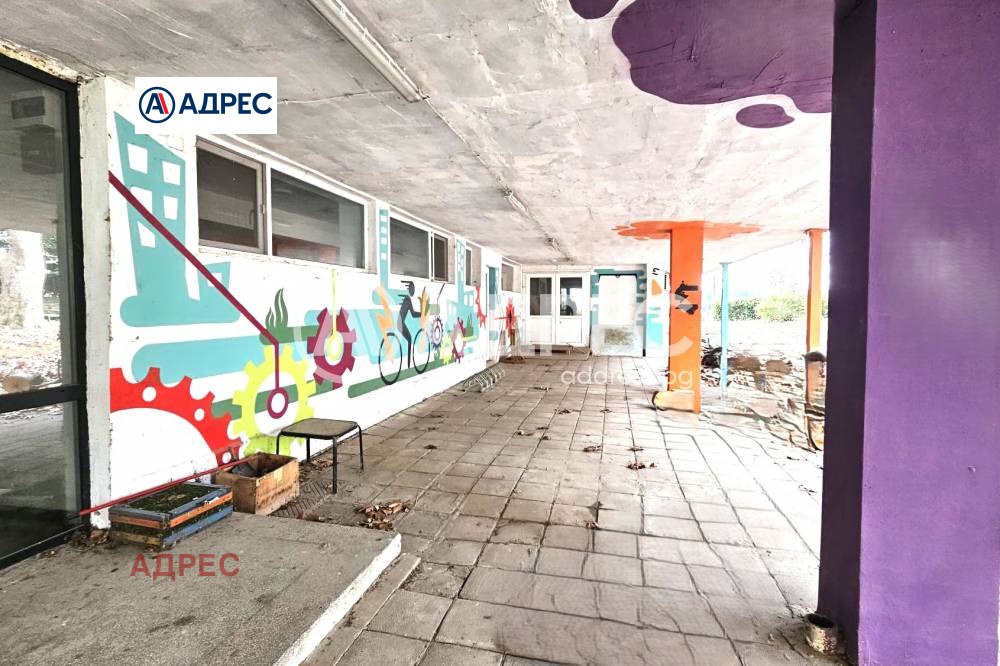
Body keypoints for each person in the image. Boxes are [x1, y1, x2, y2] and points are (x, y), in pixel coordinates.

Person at [398, 281, 418, 367]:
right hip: (400, 324)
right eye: (412, 289)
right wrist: (423, 314)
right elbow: (413, 314)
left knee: (409, 339)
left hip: (400, 323)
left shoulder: (407, 299)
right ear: (409, 289)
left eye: (414, 289)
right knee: (409, 339)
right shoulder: (408, 300)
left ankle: (409, 364)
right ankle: (409, 364)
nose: (413, 291)